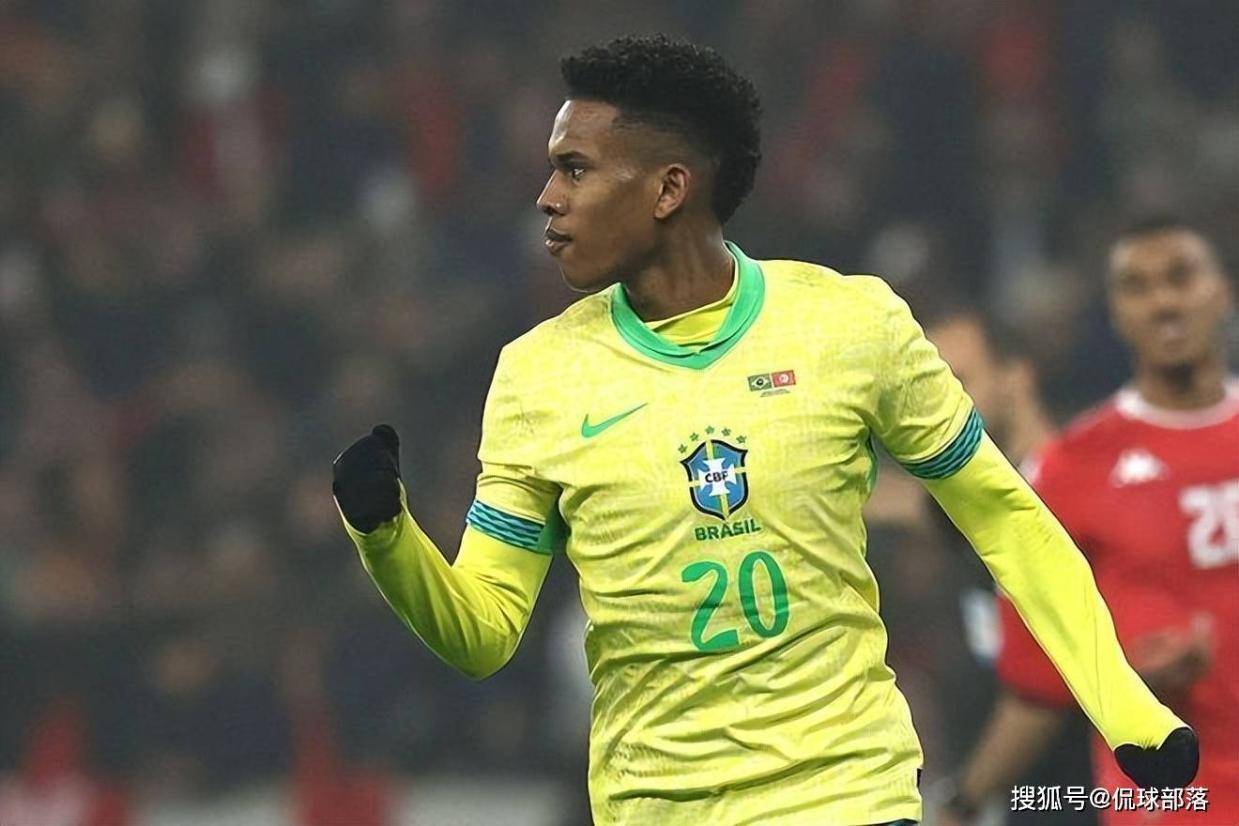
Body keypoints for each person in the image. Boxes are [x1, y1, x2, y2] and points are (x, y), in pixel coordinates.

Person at [330, 36, 1197, 826]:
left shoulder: (848, 325)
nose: (546, 198)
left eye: (575, 169)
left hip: (848, 797)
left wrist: (1127, 712)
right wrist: (387, 536)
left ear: (668, 188)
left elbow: (1004, 518)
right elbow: (483, 634)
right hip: (658, 810)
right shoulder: (537, 376)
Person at [940, 219, 1237, 825]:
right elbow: (1039, 683)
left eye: (1180, 277)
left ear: (1223, 290)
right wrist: (1121, 678)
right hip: (1173, 802)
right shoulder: (1068, 471)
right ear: (1116, 312)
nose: (1163, 302)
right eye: (1137, 286)